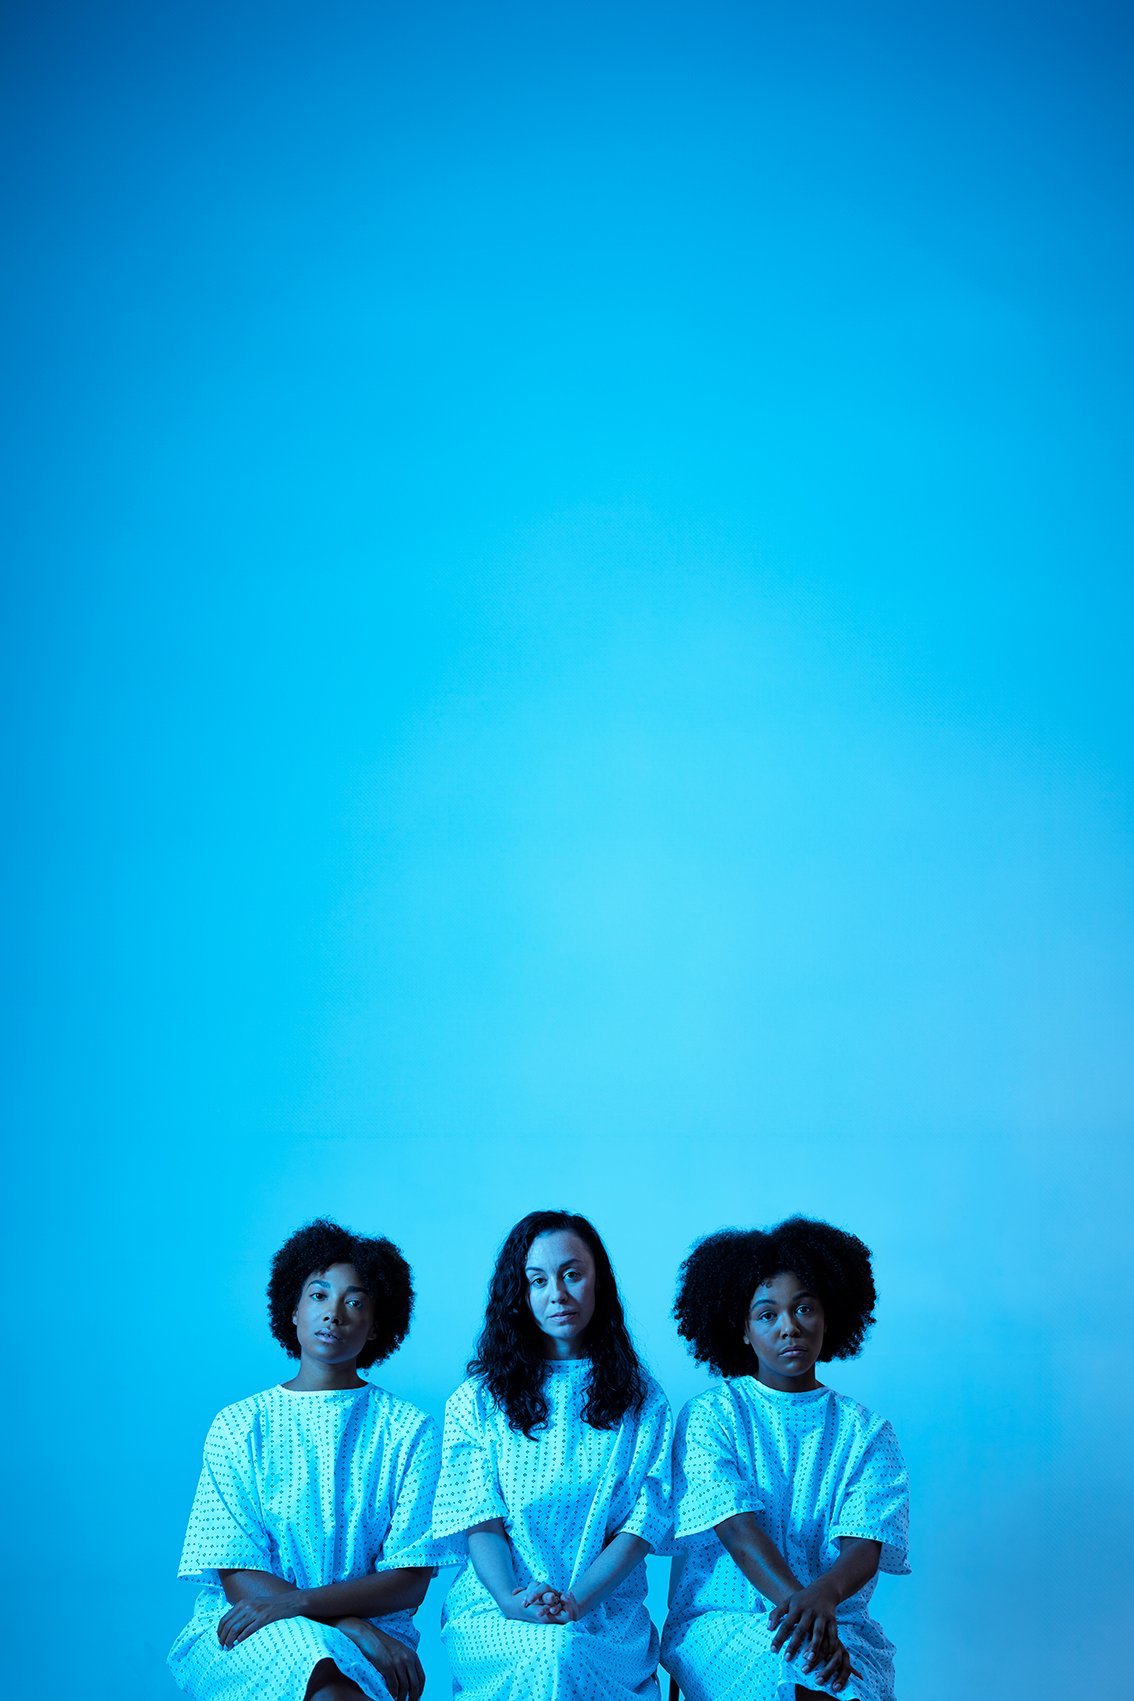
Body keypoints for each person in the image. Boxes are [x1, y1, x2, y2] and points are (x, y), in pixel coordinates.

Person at [168, 1219, 440, 1701]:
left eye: (354, 1302)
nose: (333, 1313)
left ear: (378, 1324)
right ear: (292, 1309)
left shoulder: (408, 1430)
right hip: (247, 1626)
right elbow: (234, 1572)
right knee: (324, 1677)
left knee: (335, 1678)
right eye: (318, 1296)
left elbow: (409, 1578)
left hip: (379, 1638)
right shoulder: (238, 1425)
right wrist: (350, 1625)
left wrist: (330, 1616)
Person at [661, 1218, 909, 1701]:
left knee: (836, 1683)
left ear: (828, 1315)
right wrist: (804, 1613)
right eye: (767, 1315)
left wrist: (822, 1604)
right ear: (743, 1330)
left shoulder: (867, 1432)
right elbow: (737, 1531)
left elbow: (865, 1546)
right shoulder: (711, 1416)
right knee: (797, 1672)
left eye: (804, 1308)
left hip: (840, 1623)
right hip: (724, 1624)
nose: (789, 1327)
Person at [432, 1209, 672, 1700]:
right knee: (546, 1655)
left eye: (571, 1275)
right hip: (497, 1607)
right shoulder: (478, 1399)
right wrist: (512, 1600)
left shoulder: (644, 1402)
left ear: (598, 1281)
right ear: (519, 1296)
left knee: (564, 1652)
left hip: (605, 1612)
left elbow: (641, 1527)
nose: (557, 1295)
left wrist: (576, 1602)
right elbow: (481, 1522)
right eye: (537, 1281)